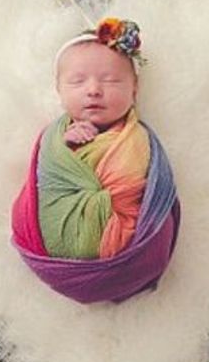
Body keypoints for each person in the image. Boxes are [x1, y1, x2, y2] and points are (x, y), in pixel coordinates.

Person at [10, 17, 182, 304]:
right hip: (55, 243)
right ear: (59, 90)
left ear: (134, 89)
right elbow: (47, 177)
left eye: (111, 80)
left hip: (128, 251)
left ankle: (118, 266)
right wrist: (65, 147)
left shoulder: (135, 139)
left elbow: (139, 185)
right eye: (77, 81)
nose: (93, 90)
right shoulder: (55, 137)